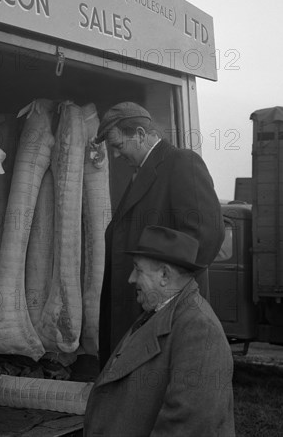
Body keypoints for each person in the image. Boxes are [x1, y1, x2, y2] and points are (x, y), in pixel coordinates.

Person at [95, 101, 224, 362]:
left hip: (163, 314)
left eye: (118, 146)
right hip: (140, 310)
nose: (117, 156)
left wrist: (165, 294)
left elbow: (206, 235)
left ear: (141, 134)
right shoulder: (141, 173)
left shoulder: (182, 162)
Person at [84, 225, 235, 437]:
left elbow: (188, 427)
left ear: (164, 275)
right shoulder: (161, 311)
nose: (130, 279)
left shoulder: (200, 330)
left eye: (138, 269)